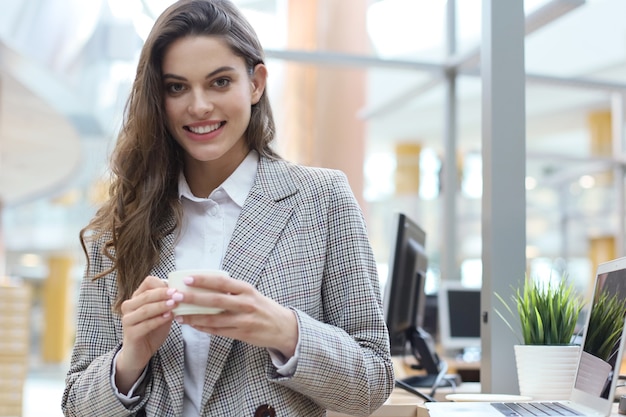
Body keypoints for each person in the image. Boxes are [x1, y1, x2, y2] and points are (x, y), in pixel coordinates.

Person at [61, 0, 394, 416]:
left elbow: (372, 382)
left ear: (255, 84)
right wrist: (129, 360)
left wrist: (285, 330)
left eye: (219, 82)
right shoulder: (119, 222)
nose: (198, 106)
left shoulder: (322, 200)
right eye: (176, 87)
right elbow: (76, 407)